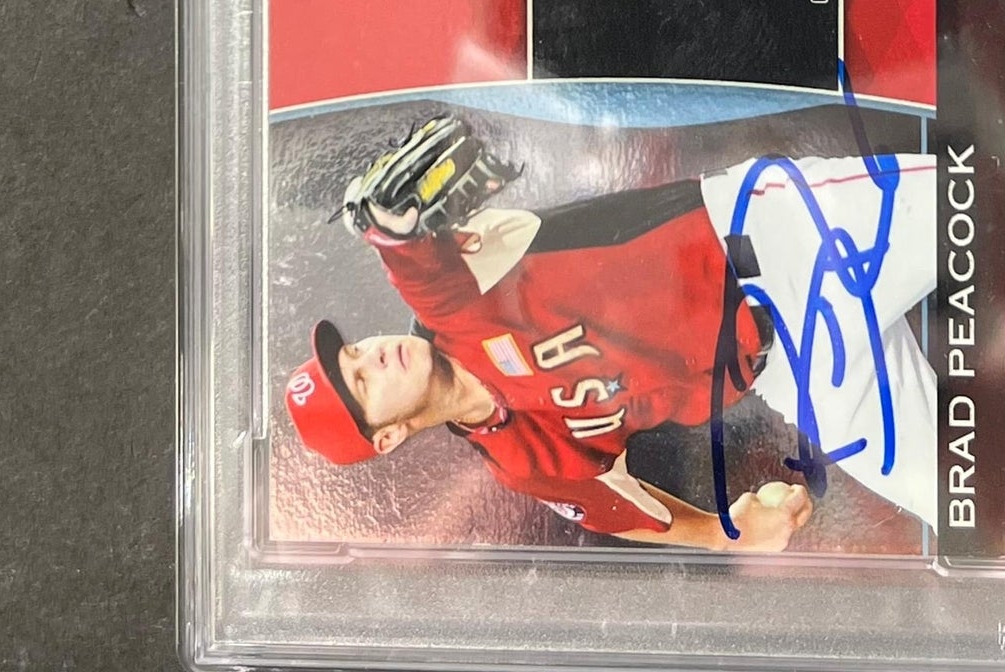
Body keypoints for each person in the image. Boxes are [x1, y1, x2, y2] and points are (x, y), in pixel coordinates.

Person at [286, 113, 939, 550]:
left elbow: (417, 263)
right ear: (389, 436)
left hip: (780, 240)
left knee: (986, 201)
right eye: (360, 382)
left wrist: (388, 230)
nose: (373, 356)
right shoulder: (522, 461)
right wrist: (725, 532)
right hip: (796, 370)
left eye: (355, 351)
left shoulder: (455, 305)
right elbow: (623, 510)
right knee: (959, 494)